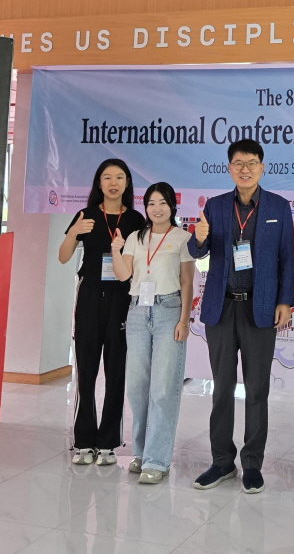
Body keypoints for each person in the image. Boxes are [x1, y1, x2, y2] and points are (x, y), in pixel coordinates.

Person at [189, 139, 294, 494]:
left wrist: (285, 301)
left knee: (256, 390)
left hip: (259, 309)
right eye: (238, 163)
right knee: (221, 389)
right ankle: (222, 462)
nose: (245, 169)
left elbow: (286, 258)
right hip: (221, 309)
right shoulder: (216, 206)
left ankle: (252, 464)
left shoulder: (278, 206)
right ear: (229, 168)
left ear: (262, 167)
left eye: (251, 163)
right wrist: (198, 239)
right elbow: (198, 251)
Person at [58, 158, 144, 466]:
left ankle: (108, 442)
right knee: (86, 369)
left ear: (127, 183)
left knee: (116, 370)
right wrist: (73, 232)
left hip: (122, 298)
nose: (113, 183)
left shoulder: (135, 219)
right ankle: (84, 441)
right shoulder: (86, 215)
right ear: (99, 183)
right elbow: (63, 257)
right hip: (90, 297)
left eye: (119, 177)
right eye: (107, 177)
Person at [112, 181, 195, 484]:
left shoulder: (183, 238)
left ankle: (157, 460)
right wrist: (116, 249)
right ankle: (141, 452)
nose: (156, 209)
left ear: (172, 206)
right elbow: (124, 274)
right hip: (137, 311)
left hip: (168, 310)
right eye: (151, 203)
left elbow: (187, 282)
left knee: (163, 387)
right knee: (137, 385)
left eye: (162, 203)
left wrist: (184, 320)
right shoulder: (136, 237)